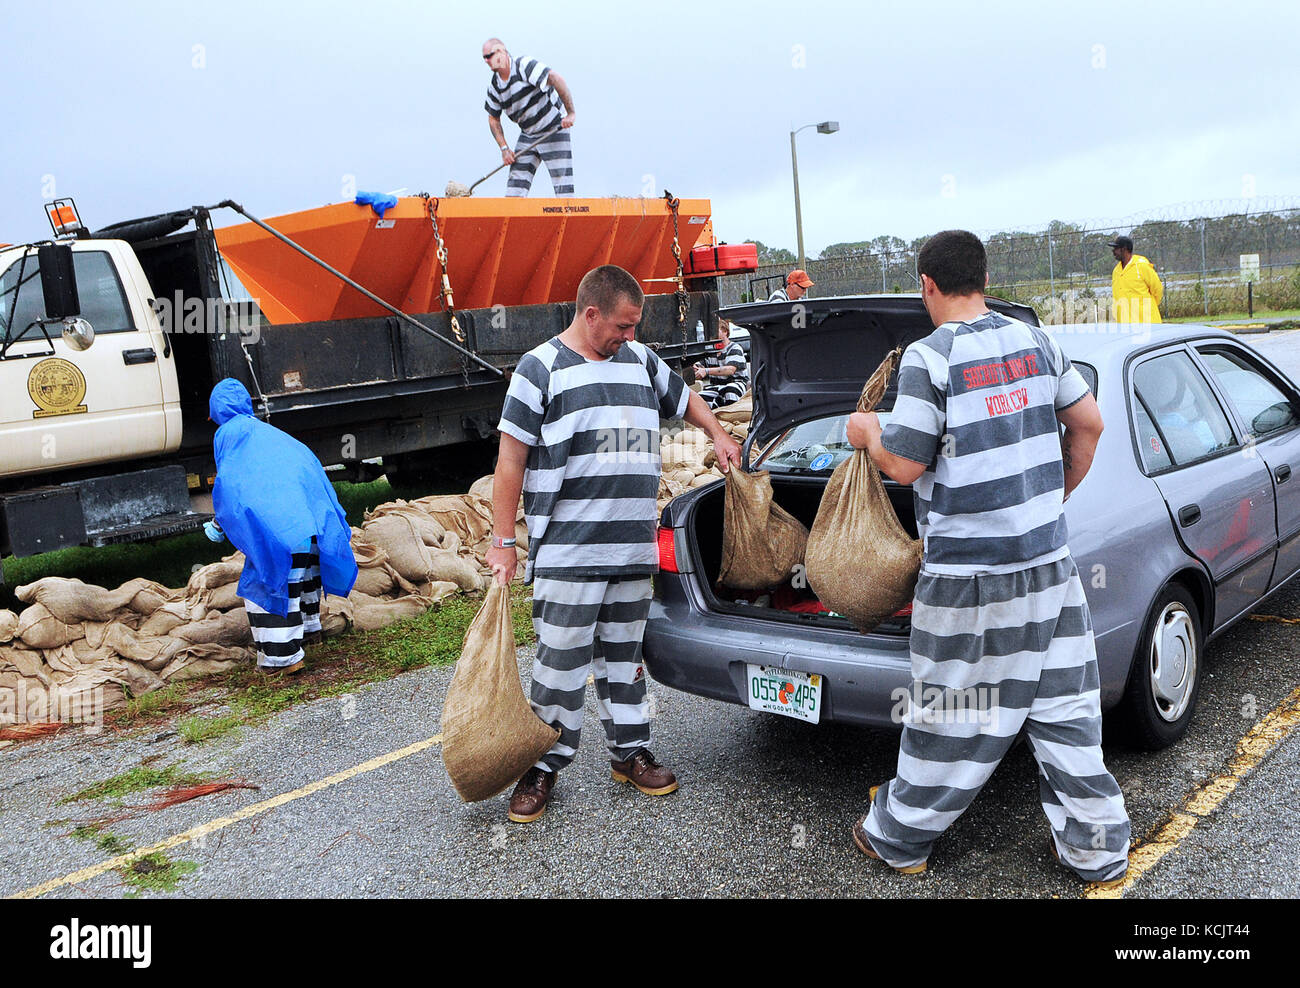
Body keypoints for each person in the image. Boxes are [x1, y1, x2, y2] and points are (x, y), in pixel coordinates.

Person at [844, 230, 1131, 886]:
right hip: (1050, 570)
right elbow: (1088, 424)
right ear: (983, 277)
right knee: (1067, 711)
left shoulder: (929, 357)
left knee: (948, 717)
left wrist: (867, 432)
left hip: (970, 582)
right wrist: (1044, 502)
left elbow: (906, 461)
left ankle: (898, 838)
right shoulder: (1037, 340)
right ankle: (1095, 851)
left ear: (927, 285)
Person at [488, 264, 742, 823]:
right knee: (559, 667)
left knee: (625, 662)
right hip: (569, 554)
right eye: (623, 326)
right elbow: (510, 461)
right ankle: (542, 767)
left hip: (631, 551)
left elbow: (686, 398)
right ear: (591, 313)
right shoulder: (540, 369)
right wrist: (503, 541)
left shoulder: (642, 361)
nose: (630, 337)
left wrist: (719, 434)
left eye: (635, 327)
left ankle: (630, 754)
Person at [207, 379, 358, 675]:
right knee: (305, 578)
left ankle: (283, 660)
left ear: (216, 411)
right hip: (313, 521)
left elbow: (232, 484)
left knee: (269, 585)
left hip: (281, 530)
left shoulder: (227, 434)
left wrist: (218, 522)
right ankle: (311, 630)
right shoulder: (270, 433)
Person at [482, 38, 576, 197]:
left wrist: (570, 113)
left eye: (489, 56)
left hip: (553, 127)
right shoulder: (495, 87)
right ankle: (512, 219)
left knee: (563, 186)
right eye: (484, 58)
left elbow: (554, 78)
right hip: (528, 135)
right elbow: (493, 118)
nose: (486, 61)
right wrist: (504, 148)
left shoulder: (523, 66)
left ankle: (568, 218)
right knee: (515, 186)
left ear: (501, 52)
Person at [693, 318, 749, 408]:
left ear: (725, 332)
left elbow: (730, 370)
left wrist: (706, 371)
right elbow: (700, 365)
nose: (712, 334)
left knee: (731, 390)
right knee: (699, 398)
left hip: (736, 383)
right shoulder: (711, 351)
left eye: (715, 330)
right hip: (716, 386)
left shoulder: (734, 348)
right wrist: (695, 367)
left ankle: (732, 418)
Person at [1109, 235, 1163, 323]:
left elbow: (1157, 289)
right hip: (1125, 325)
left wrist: (1148, 307)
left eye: (1116, 248)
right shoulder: (1116, 271)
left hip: (1146, 322)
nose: (1113, 252)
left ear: (1124, 249)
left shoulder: (1141, 266)